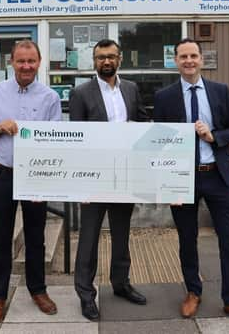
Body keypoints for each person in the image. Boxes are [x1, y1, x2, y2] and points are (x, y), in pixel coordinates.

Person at [153, 38, 229, 329]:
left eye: (194, 55)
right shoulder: (164, 97)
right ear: (175, 60)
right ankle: (193, 292)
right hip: (182, 178)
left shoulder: (220, 92)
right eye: (183, 56)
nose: (189, 60)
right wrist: (166, 185)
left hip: (217, 175)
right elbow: (156, 143)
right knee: (187, 239)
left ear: (202, 59)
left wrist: (214, 137)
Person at [0, 39, 61, 323]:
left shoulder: (50, 97)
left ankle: (38, 290)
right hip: (2, 174)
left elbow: (56, 138)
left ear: (39, 62)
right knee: (1, 238)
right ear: (11, 62)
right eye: (21, 61)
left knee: (36, 237)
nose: (26, 66)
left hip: (35, 175)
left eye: (31, 61)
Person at [69, 39, 149, 321]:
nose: (106, 61)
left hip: (124, 175)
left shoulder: (131, 89)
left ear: (120, 59)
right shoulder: (80, 93)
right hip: (93, 178)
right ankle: (86, 295)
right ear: (94, 60)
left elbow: (142, 125)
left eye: (111, 56)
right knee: (88, 239)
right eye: (101, 57)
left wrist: (138, 129)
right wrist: (81, 183)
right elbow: (75, 139)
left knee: (121, 234)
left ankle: (121, 284)